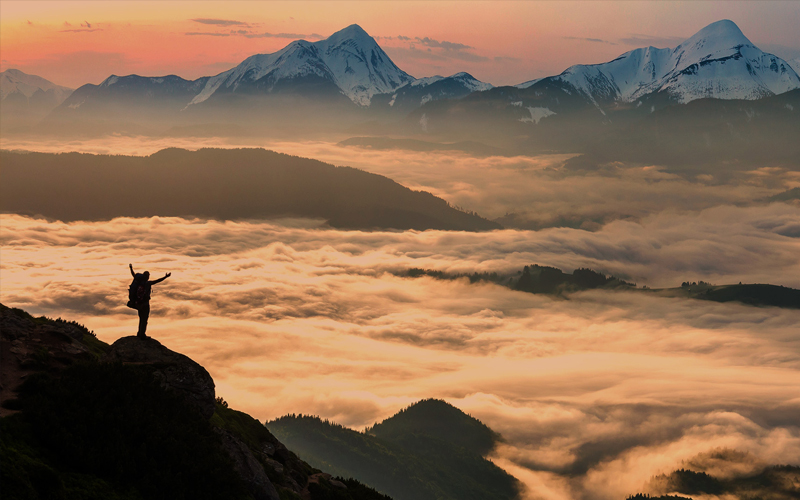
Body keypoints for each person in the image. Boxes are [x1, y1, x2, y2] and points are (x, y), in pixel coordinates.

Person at [129, 264, 171, 338]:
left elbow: (133, 274)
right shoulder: (148, 283)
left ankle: (139, 333)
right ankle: (142, 335)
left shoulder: (138, 281)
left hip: (138, 303)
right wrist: (165, 277)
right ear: (147, 276)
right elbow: (157, 281)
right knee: (144, 319)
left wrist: (131, 268)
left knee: (141, 318)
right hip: (145, 304)